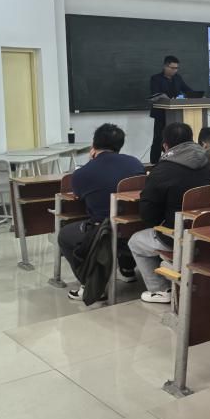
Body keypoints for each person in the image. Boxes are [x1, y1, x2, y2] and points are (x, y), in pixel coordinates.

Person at [128, 122, 210, 303]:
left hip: (177, 236)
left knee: (135, 241)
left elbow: (148, 216)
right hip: (209, 232)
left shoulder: (162, 170)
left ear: (165, 146)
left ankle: (159, 289)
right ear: (192, 140)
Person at [61, 124, 145, 301]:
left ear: (94, 144)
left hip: (104, 230)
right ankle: (128, 270)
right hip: (135, 227)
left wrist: (91, 162)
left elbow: (79, 195)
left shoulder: (83, 173)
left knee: (65, 235)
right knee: (124, 221)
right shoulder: (135, 163)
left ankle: (90, 285)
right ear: (120, 144)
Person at [148, 55, 194, 164]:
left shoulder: (178, 78)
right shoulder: (156, 78)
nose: (175, 70)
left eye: (177, 68)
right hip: (161, 113)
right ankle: (154, 162)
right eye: (172, 68)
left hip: (176, 113)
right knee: (158, 138)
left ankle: (173, 160)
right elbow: (155, 94)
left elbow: (187, 90)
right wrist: (166, 98)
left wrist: (198, 96)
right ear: (165, 66)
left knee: (175, 138)